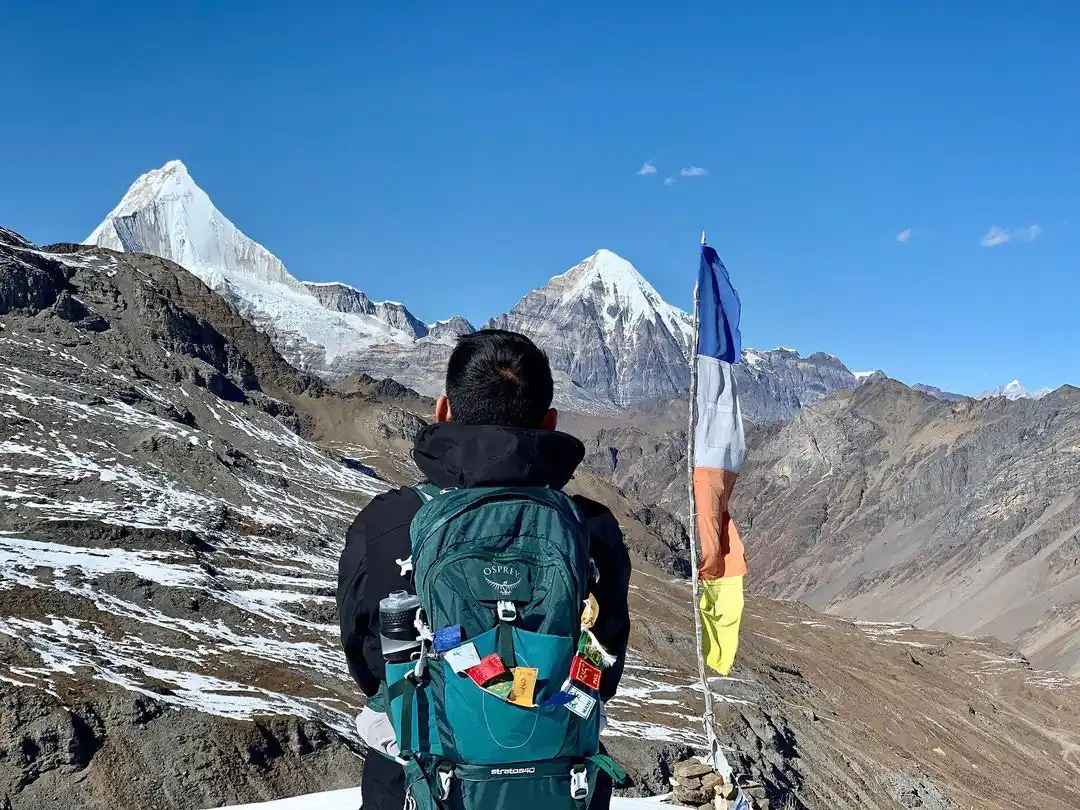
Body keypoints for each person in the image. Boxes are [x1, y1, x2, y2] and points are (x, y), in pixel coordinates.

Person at [337, 329, 632, 810]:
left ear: (444, 411)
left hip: (421, 786)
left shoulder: (388, 522)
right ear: (549, 421)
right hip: (559, 785)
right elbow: (604, 663)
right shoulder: (590, 527)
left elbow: (368, 662)